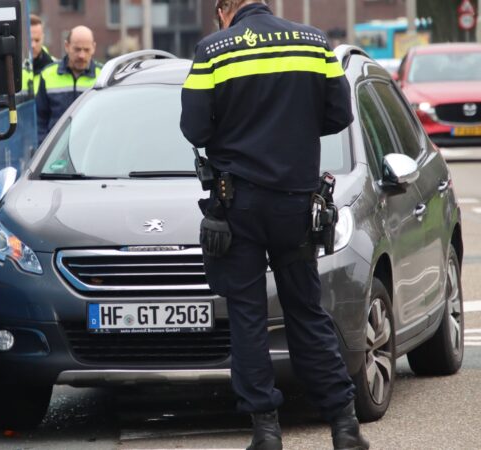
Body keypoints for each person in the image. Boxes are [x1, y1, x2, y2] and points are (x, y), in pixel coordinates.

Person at [179, 1, 368, 450]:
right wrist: (293, 132)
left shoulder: (212, 50)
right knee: (306, 311)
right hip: (296, 203)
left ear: (224, 8)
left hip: (238, 205)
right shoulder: (314, 42)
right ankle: (344, 425)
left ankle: (266, 430)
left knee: (248, 318)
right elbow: (339, 115)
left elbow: (194, 129)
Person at [36, 25, 102, 142]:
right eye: (77, 49)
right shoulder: (48, 74)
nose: (81, 55)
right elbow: (39, 118)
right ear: (66, 46)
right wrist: (43, 144)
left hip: (91, 147)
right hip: (57, 149)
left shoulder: (103, 76)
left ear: (94, 48)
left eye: (86, 50)